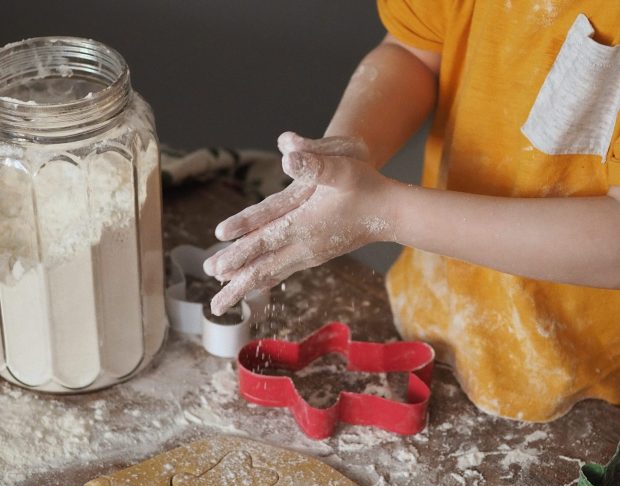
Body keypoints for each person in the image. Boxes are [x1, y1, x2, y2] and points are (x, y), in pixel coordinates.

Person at [204, 1, 620, 422]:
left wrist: (391, 213)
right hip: (439, 306)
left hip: (589, 375)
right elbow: (414, 53)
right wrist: (350, 154)